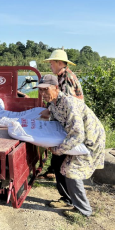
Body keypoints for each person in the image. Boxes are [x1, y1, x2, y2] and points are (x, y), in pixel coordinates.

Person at [36, 74, 105, 217]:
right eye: (40, 90)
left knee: (71, 171)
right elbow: (56, 123)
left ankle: (84, 210)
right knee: (57, 163)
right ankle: (67, 199)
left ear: (56, 88)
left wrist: (58, 149)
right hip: (75, 140)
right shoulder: (53, 103)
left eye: (46, 90)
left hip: (89, 142)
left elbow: (78, 135)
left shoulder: (69, 103)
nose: (43, 94)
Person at [39, 48, 84, 180]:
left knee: (62, 152)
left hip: (72, 122)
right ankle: (55, 171)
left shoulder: (66, 78)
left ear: (60, 63)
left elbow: (68, 104)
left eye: (52, 63)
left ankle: (62, 179)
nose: (50, 66)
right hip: (69, 121)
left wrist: (50, 110)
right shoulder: (62, 76)